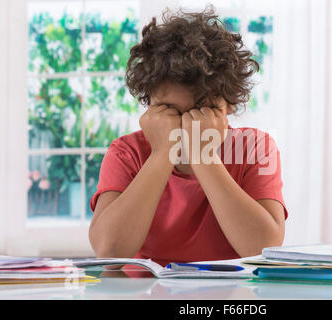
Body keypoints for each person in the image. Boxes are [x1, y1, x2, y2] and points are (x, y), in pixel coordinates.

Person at [88, 6, 287, 267]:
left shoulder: (256, 148)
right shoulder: (126, 153)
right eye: (169, 111)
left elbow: (264, 249)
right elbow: (109, 253)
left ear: (229, 105)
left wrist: (203, 156)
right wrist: (162, 154)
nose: (187, 126)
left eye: (202, 111)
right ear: (149, 103)